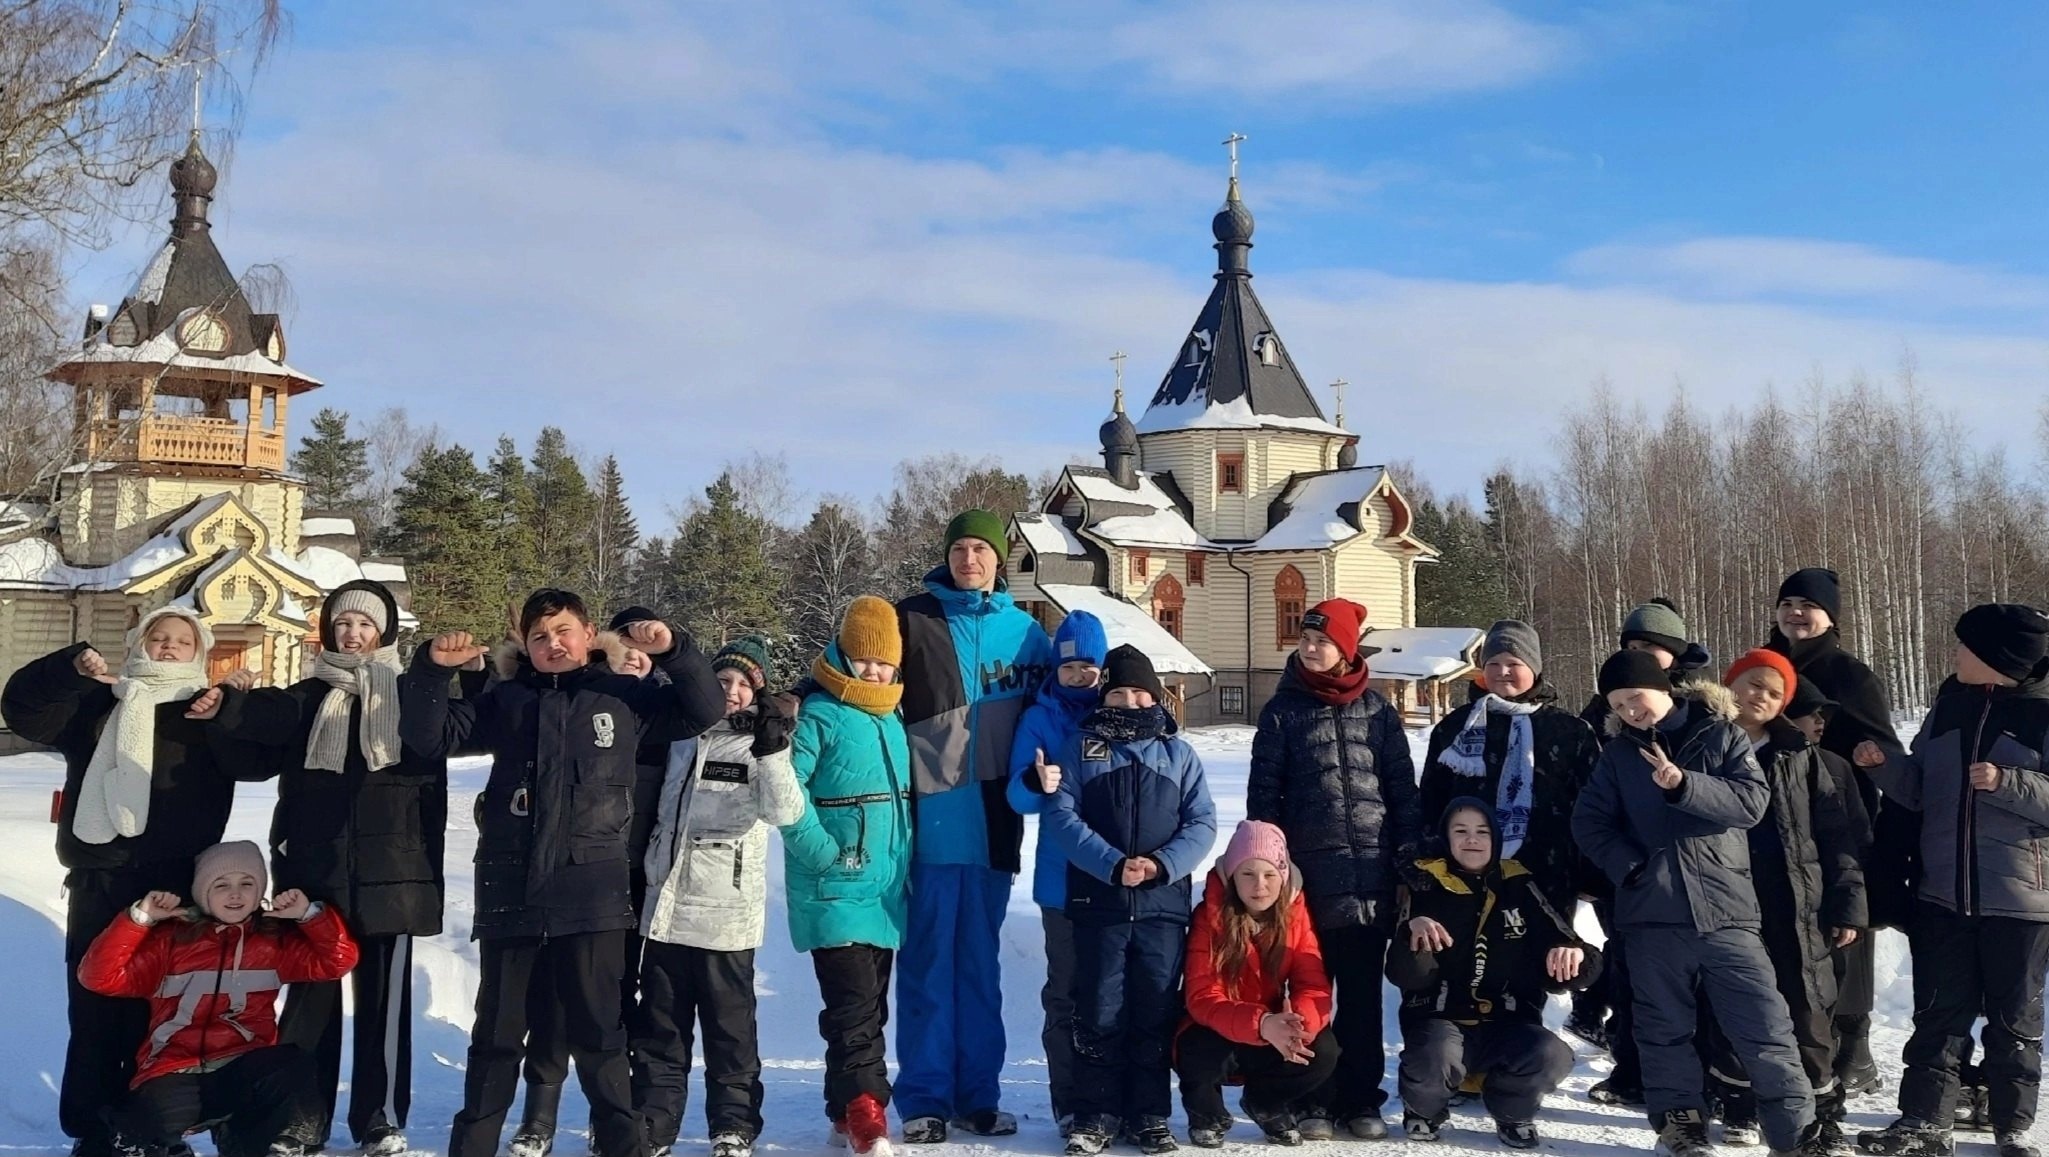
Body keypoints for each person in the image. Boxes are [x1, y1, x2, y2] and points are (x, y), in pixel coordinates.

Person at [401, 589, 725, 1157]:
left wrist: (675, 650)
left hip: (593, 893)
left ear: (588, 632)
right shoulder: (507, 701)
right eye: (540, 636)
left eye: (563, 631)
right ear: (525, 645)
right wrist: (429, 670)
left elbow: (703, 710)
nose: (553, 644)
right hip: (511, 893)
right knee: (497, 1041)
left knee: (601, 1039)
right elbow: (430, 736)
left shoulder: (622, 696)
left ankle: (623, 1147)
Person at [197, 580, 464, 1155]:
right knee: (310, 1007)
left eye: (365, 625)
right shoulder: (307, 697)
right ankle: (299, 1120)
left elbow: (451, 731)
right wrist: (230, 703)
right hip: (314, 870)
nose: (353, 633)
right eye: (343, 624)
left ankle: (381, 1119)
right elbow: (257, 734)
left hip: (397, 869)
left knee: (384, 1009)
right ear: (328, 632)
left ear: (385, 632)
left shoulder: (412, 702)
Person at [2, 606, 254, 1157]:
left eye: (181, 641)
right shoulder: (98, 704)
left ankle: (153, 1128)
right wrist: (68, 668)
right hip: (101, 883)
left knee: (165, 1016)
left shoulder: (206, 710)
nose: (167, 647)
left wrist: (234, 707)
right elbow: (22, 710)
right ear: (140, 643)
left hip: (180, 891)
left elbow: (262, 755)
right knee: (94, 1012)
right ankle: (95, 1128)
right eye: (158, 637)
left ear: (199, 653)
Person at [1571, 649, 1822, 1157]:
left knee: (1765, 1026)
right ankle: (1680, 1126)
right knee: (1663, 1031)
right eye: (1619, 706)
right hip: (1652, 917)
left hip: (1725, 910)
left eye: (1636, 698)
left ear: (1663, 689)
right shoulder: (1618, 756)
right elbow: (1588, 823)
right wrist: (1630, 868)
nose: (1630, 712)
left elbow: (1751, 803)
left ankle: (1794, 1135)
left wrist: (1685, 785)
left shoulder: (1720, 734)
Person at [1853, 604, 2049, 1157]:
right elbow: (1920, 789)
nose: (1955, 655)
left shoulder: (2045, 714)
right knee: (1939, 1015)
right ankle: (1924, 1122)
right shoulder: (1948, 707)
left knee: (2014, 1021)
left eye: (1965, 646)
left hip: (2022, 902)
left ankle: (2013, 1129)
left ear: (1996, 658)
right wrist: (1882, 766)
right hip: (1943, 895)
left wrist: (2011, 782)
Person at [891, 510, 1054, 1143]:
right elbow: (848, 674)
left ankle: (978, 1097)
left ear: (998, 559)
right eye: (959, 549)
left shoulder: (1026, 635)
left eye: (980, 550)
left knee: (980, 969)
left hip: (994, 825)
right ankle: (925, 1098)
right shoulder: (911, 619)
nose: (969, 560)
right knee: (928, 963)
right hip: (927, 824)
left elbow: (1065, 708)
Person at [1246, 597, 1421, 1140]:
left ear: (1346, 649)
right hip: (1308, 884)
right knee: (1310, 996)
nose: (1312, 648)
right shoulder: (1282, 711)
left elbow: (1402, 793)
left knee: (1364, 998)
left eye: (1324, 641)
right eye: (1306, 639)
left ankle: (1361, 1098)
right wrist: (1273, 872)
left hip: (1371, 879)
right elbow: (1264, 800)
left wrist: (1408, 860)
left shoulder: (1378, 711)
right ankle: (1312, 1097)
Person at [633, 634, 804, 1157]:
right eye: (721, 680)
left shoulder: (764, 743)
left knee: (729, 1030)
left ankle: (733, 1122)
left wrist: (772, 751)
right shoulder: (681, 733)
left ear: (758, 693)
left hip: (726, 914)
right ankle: (654, 1123)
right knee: (660, 1027)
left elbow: (785, 813)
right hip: (664, 908)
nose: (730, 692)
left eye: (742, 684)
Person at [78, 840, 360, 1157]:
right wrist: (140, 919)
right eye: (221, 884)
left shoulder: (272, 941)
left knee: (292, 1065)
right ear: (203, 893)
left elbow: (337, 962)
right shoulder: (170, 942)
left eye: (247, 884)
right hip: (174, 1072)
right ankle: (165, 1145)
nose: (235, 894)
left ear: (259, 893)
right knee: (133, 1135)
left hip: (241, 1068)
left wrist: (308, 915)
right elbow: (98, 977)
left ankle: (278, 1143)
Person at [1043, 645, 1217, 1157]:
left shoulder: (1179, 754)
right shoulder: (1080, 748)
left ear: (1156, 697)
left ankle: (1149, 1115)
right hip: (1099, 906)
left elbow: (1202, 823)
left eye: (1140, 691)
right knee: (1098, 1010)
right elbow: (1061, 816)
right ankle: (1095, 1113)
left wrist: (1162, 864)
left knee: (1154, 1012)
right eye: (1119, 690)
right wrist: (1112, 863)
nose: (1130, 699)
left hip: (1163, 908)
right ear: (1105, 696)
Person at [1711, 650, 1866, 1152]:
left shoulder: (1803, 758)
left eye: (1775, 693)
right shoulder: (1702, 745)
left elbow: (1838, 839)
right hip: (1725, 905)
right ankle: (1738, 1103)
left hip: (1793, 906)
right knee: (1734, 1007)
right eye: (1753, 684)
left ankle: (1822, 1113)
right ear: (1729, 684)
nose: (1761, 696)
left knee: (1806, 1010)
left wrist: (1847, 905)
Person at [781, 596, 916, 1157]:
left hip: (884, 893)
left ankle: (842, 1108)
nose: (875, 672)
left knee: (863, 1009)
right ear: (842, 654)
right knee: (857, 1009)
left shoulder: (893, 717)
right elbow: (785, 792)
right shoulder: (819, 714)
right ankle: (868, 1115)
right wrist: (822, 854)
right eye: (864, 660)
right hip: (835, 887)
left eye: (884, 663)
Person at [1389, 800, 1598, 1149]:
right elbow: (1406, 976)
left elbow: (1574, 955)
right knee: (1434, 1054)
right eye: (1461, 831)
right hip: (1443, 1022)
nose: (1472, 840)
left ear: (1496, 838)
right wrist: (1413, 936)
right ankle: (1423, 1110)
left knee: (1552, 1054)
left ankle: (1512, 1110)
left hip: (1508, 1024)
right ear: (1446, 838)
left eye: (1482, 831)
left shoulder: (1519, 884)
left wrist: (1575, 955)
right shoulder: (1427, 884)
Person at [1571, 597, 1712, 1104]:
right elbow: (1589, 796)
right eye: (1632, 646)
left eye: (1652, 647)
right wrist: (1608, 863)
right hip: (1627, 868)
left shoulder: (1703, 709)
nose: (1642, 655)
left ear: (1673, 653)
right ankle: (1630, 1070)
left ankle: (1704, 1081)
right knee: (1631, 972)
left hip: (1700, 871)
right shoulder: (1606, 709)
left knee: (1700, 985)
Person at [1767, 567, 1901, 1096]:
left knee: (1845, 927)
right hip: (1773, 815)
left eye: (1808, 605)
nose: (1796, 613)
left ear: (1830, 616)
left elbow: (1883, 748)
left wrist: (1864, 763)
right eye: (1788, 603)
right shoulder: (1766, 664)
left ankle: (1855, 1045)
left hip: (1840, 815)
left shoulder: (1851, 674)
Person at [1006, 610, 1109, 1136]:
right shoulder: (1040, 716)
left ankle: (1110, 1098)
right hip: (1060, 881)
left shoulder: (1117, 712)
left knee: (1109, 992)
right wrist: (1035, 778)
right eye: (1069, 669)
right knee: (1065, 994)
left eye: (1087, 669)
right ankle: (1069, 1101)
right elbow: (1016, 797)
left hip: (1113, 879)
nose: (1078, 678)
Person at [1175, 820, 1337, 1149]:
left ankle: (1266, 1102)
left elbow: (1313, 983)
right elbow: (1202, 996)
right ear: (1232, 877)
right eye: (1247, 873)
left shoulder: (1296, 915)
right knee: (1194, 1048)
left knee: (1323, 1050)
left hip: (1274, 1026)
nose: (1259, 885)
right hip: (1218, 1025)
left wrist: (1297, 1024)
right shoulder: (1209, 915)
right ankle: (1206, 1114)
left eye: (1269, 875)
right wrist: (1262, 1024)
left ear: (1283, 876)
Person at [1422, 620, 1599, 915]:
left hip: (1548, 870)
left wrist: (1591, 872)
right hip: (1467, 871)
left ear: (1534, 668)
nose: (1502, 671)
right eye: (1493, 663)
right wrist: (1428, 860)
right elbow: (1431, 798)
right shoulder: (1456, 728)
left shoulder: (1570, 731)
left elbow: (1592, 807)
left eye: (1513, 663)